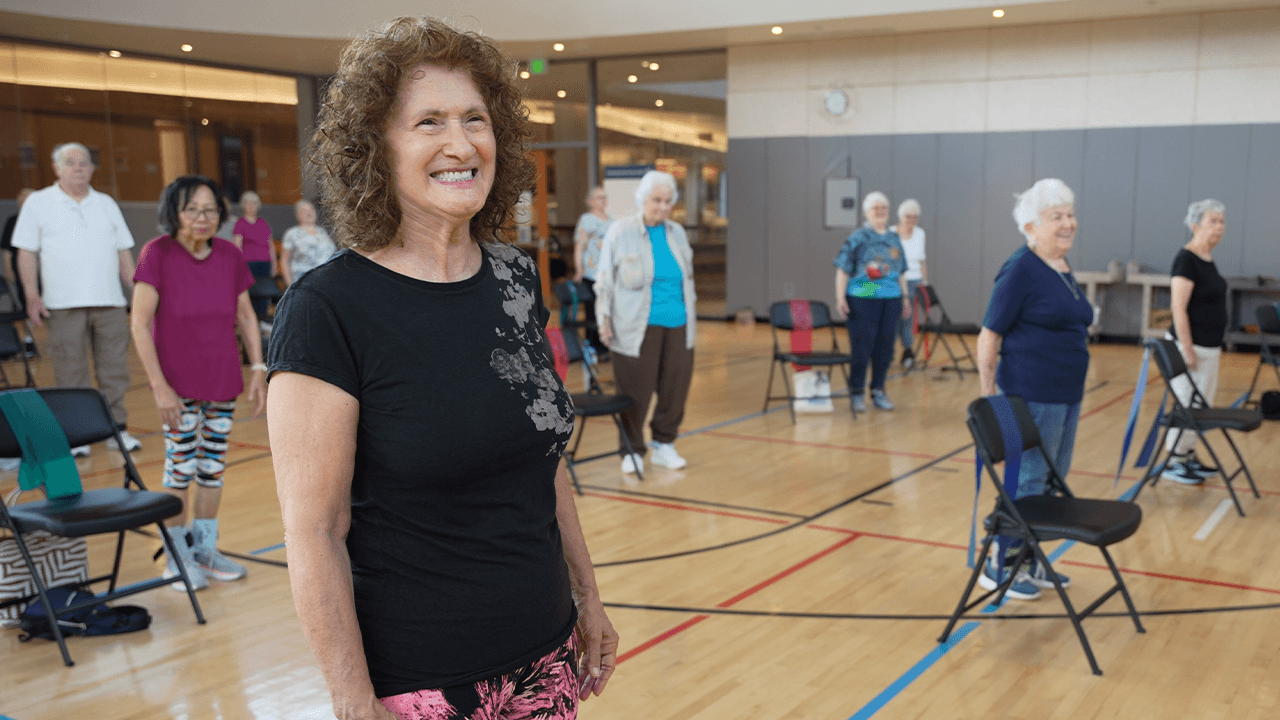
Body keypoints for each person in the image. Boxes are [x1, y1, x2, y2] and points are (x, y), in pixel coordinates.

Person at [266, 17, 617, 720]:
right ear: (375, 148)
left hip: (545, 659)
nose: (460, 144)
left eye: (475, 119)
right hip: (421, 684)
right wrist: (351, 699)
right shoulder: (327, 309)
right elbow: (315, 531)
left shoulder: (517, 280)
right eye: (428, 122)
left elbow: (542, 462)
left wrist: (588, 596)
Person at [130, 174, 267, 591]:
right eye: (192, 209)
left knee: (211, 470)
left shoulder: (228, 255)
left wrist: (258, 369)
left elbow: (246, 316)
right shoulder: (158, 253)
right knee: (180, 467)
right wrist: (160, 387)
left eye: (210, 210)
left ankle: (205, 549)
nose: (202, 218)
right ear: (174, 212)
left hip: (222, 381)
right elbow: (138, 323)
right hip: (177, 385)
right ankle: (176, 557)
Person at [976, 178, 1091, 601]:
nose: (1068, 224)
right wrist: (990, 398)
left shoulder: (1060, 266)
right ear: (1030, 227)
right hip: (1029, 395)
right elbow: (990, 334)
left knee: (1048, 483)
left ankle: (1028, 555)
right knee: (1026, 480)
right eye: (1056, 217)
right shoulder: (1020, 268)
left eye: (1070, 215)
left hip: (1065, 394)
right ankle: (999, 564)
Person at [12, 142, 142, 455]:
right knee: (70, 371)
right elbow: (26, 253)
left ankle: (116, 429)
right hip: (61, 304)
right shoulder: (39, 202)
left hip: (110, 302)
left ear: (92, 168)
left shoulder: (106, 203)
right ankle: (78, 434)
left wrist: (138, 291)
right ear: (57, 168)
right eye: (70, 163)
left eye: (84, 162)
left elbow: (124, 251)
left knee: (114, 369)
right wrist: (32, 295)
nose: (78, 167)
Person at [595, 170, 697, 474]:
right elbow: (604, 281)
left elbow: (686, 281)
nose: (663, 207)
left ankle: (665, 444)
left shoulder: (677, 232)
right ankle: (632, 449)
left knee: (674, 389)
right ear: (643, 199)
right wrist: (603, 319)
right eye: (657, 200)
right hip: (634, 326)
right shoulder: (620, 231)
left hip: (679, 324)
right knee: (635, 390)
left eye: (668, 201)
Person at [1160, 199, 1229, 486]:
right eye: (1213, 221)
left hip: (1210, 347)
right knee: (1186, 403)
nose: (1219, 227)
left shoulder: (1208, 259)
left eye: (1222, 222)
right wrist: (1186, 348)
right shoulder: (1186, 259)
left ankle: (1188, 455)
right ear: (1195, 225)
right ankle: (1173, 462)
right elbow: (1178, 307)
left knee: (1200, 407)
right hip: (1192, 347)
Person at [833, 191, 908, 412]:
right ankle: (856, 393)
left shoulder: (894, 238)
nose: (880, 211)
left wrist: (905, 297)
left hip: (891, 298)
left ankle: (878, 390)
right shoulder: (858, 237)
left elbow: (900, 271)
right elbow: (842, 268)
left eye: (884, 207)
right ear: (866, 212)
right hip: (862, 298)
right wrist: (840, 297)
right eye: (875, 208)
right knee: (862, 346)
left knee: (885, 347)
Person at [572, 186, 611, 352]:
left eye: (604, 197)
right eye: (599, 197)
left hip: (608, 276)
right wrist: (579, 270)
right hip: (591, 274)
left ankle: (605, 346)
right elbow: (579, 247)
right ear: (590, 201)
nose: (603, 200)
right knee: (592, 313)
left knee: (606, 312)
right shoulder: (586, 219)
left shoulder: (612, 221)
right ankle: (592, 346)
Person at [232, 190, 277, 323]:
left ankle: (263, 320)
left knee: (264, 292)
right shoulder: (240, 224)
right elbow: (237, 246)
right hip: (248, 262)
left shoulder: (263, 223)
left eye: (254, 204)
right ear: (243, 206)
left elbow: (271, 245)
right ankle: (252, 320)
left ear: (258, 206)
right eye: (248, 203)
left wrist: (274, 264)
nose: (251, 206)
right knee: (251, 292)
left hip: (265, 262)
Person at [892, 198, 927, 369]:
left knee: (907, 316)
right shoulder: (892, 233)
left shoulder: (920, 233)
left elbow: (922, 260)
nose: (911, 221)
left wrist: (925, 282)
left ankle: (907, 352)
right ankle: (887, 350)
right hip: (895, 280)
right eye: (908, 217)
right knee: (892, 316)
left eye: (915, 218)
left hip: (914, 280)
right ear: (901, 217)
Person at [279, 199, 336, 285]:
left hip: (326, 279)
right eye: (304, 211)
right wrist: (289, 284)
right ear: (298, 215)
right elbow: (284, 260)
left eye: (311, 210)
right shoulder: (292, 233)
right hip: (303, 281)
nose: (309, 213)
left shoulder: (322, 231)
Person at [2, 188, 36, 308]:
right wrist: (9, 271)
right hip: (21, 267)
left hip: (44, 268)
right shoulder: (13, 221)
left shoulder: (45, 220)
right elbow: (7, 251)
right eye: (23, 199)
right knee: (27, 302)